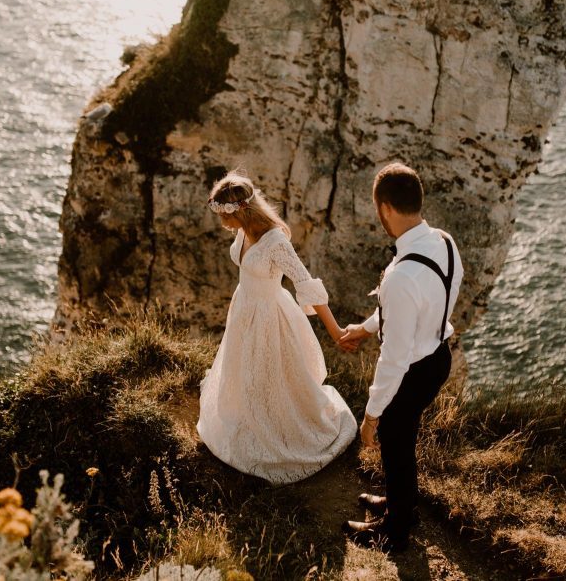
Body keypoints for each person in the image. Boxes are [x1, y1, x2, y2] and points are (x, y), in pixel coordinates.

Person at [196, 169, 357, 484]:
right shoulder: (244, 230)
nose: (222, 222)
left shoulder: (276, 241)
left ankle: (278, 433)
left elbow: (305, 283)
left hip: (269, 316)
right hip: (244, 309)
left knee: (267, 377)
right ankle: (248, 421)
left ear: (240, 209)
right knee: (244, 372)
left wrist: (336, 331)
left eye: (223, 214)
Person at [338, 162, 464, 553]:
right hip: (439, 356)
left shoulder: (400, 277)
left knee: (393, 437)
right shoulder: (444, 241)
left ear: (386, 208)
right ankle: (399, 504)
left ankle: (394, 531)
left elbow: (393, 359)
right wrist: (366, 326)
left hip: (412, 369)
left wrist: (371, 416)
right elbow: (422, 304)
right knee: (403, 439)